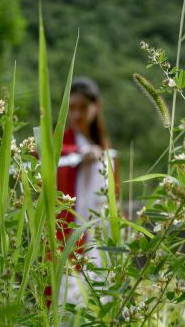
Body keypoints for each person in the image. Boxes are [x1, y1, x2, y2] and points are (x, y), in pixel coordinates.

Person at [55, 76, 119, 305]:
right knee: (70, 302)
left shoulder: (106, 148)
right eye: (71, 108)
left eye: (83, 107)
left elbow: (115, 195)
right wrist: (80, 153)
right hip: (72, 236)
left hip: (101, 236)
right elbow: (45, 154)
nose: (77, 115)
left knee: (101, 301)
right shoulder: (64, 142)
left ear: (96, 106)